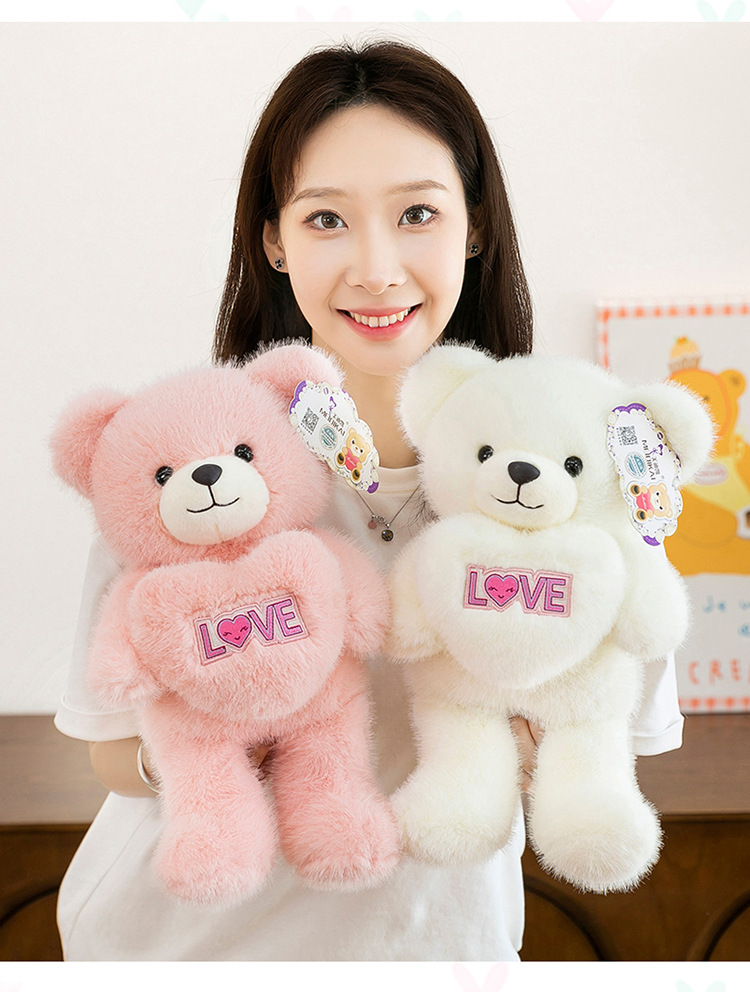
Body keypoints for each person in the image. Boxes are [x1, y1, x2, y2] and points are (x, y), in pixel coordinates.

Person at [54, 39, 684, 961]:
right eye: (326, 220)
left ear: (474, 226)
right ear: (274, 240)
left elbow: (619, 729)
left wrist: (526, 744)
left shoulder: (572, 461)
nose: (378, 269)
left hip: (438, 947)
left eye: (417, 213)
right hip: (177, 948)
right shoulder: (187, 455)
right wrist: (204, 752)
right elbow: (109, 741)